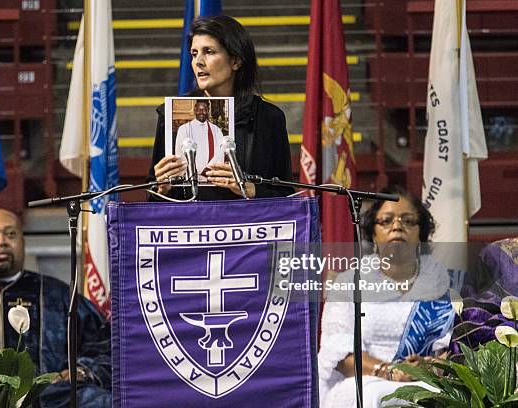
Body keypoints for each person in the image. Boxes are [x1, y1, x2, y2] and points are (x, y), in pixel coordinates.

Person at [0, 209, 111, 408]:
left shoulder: (55, 294)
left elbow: (105, 344)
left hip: (45, 400)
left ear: (23, 243)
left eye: (11, 234)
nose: (1, 242)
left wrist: (81, 370)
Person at [318, 186, 455, 408]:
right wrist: (390, 371)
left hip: (425, 379)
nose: (397, 226)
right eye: (387, 221)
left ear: (421, 233)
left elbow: (452, 347)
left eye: (408, 220)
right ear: (373, 232)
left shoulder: (441, 283)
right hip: (362, 380)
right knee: (378, 396)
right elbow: (339, 353)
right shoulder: (350, 282)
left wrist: (430, 367)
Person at [147, 15, 294, 200]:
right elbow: (152, 198)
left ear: (236, 61)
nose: (198, 61)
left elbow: (286, 195)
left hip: (246, 226)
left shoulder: (269, 118)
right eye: (194, 54)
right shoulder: (169, 114)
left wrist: (250, 189)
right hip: (190, 225)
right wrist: (161, 189)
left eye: (208, 51)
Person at [174, 99, 225, 176]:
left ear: (208, 111)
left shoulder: (216, 130)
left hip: (210, 173)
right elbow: (179, 152)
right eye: (199, 110)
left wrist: (209, 169)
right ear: (194, 111)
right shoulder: (184, 128)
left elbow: (221, 151)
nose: (202, 112)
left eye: (204, 110)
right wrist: (188, 170)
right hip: (190, 174)